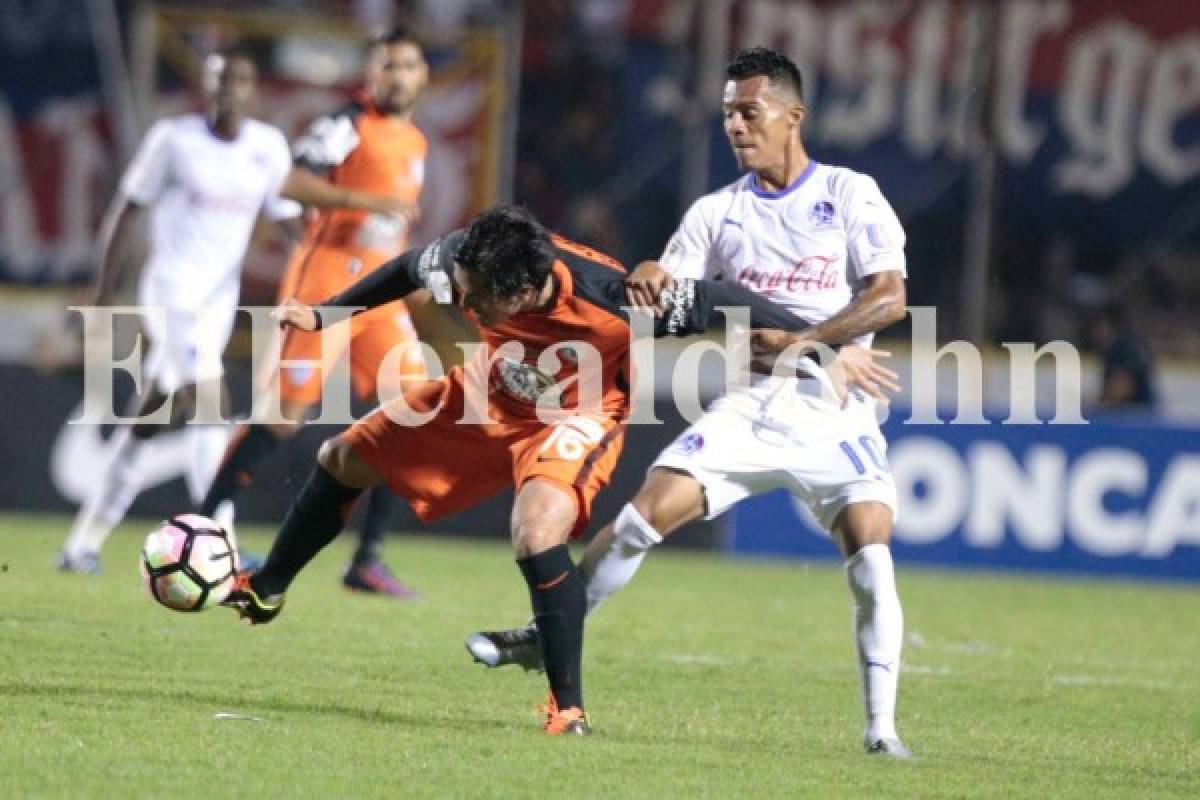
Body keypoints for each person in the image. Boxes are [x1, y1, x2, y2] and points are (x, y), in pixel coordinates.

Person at [217, 204, 892, 735]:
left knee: (536, 527)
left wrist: (821, 349)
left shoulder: (618, 299)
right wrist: (323, 313)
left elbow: (724, 296)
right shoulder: (473, 254)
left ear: (524, 288)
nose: (466, 305)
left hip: (580, 412)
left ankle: (567, 708)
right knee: (343, 457)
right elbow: (404, 268)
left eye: (479, 299)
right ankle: (268, 585)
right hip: (493, 390)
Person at [465, 47, 914, 757]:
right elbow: (665, 285)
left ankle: (881, 732)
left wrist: (813, 342)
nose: (736, 125)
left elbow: (889, 296)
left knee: (872, 558)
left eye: (750, 111)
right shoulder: (717, 212)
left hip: (834, 409)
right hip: (751, 407)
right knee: (641, 520)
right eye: (728, 113)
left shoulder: (851, 193)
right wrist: (648, 273)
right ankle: (543, 632)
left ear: (794, 115)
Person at [57, 48, 410, 573]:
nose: (229, 88)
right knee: (209, 400)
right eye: (220, 79)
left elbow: (291, 222)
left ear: (252, 89)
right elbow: (128, 211)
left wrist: (317, 276)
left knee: (154, 414)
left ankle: (82, 542)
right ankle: (219, 537)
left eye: (240, 78)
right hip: (170, 292)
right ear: (207, 84)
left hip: (217, 302)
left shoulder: (266, 148)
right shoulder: (173, 140)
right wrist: (104, 292)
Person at [197, 27, 431, 598]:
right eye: (387, 66)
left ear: (422, 75)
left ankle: (368, 559)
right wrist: (365, 200)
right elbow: (292, 180)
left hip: (379, 293)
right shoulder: (348, 123)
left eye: (406, 66)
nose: (396, 76)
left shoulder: (416, 141)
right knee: (282, 419)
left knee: (417, 413)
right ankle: (208, 526)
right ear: (371, 73)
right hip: (326, 284)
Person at [1087, 304, 1157, 410]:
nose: (1094, 333)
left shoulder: (1126, 348)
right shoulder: (1110, 351)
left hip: (1137, 416)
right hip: (1127, 414)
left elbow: (1122, 387)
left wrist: (1093, 405)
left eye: (1097, 326)